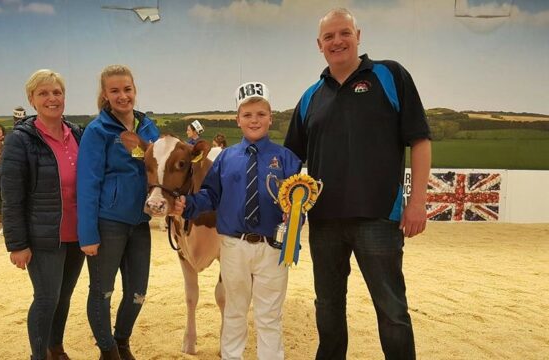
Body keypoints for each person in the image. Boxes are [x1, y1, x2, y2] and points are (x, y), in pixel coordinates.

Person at [284, 8, 431, 360]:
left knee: (392, 311)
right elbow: (290, 161)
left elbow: (421, 140)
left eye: (344, 33)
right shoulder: (309, 97)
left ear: (358, 35)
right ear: (319, 45)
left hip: (378, 217)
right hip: (324, 223)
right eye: (329, 37)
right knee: (328, 307)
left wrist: (417, 202)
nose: (337, 41)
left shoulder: (390, 75)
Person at [173, 81, 302, 360]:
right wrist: (188, 205)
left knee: (269, 316)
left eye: (260, 114)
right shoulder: (226, 158)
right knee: (234, 311)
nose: (254, 120)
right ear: (237, 119)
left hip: (273, 247)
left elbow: (298, 205)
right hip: (234, 246)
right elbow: (210, 196)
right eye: (247, 115)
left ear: (271, 116)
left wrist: (294, 224)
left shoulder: (288, 159)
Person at [77, 64, 159, 360]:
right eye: (115, 91)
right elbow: (87, 184)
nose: (123, 96)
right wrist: (87, 234)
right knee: (102, 291)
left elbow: (158, 173)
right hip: (107, 223)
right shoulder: (97, 131)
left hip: (140, 222)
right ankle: (108, 351)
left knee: (138, 291)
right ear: (105, 95)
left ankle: (122, 341)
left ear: (134, 90)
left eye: (127, 89)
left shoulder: (148, 127)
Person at [2, 69, 85, 360]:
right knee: (47, 298)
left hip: (77, 235)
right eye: (44, 93)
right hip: (43, 237)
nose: (52, 98)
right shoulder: (20, 141)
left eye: (57, 92)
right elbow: (12, 198)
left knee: (63, 297)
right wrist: (17, 244)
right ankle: (38, 356)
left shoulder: (77, 133)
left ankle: (55, 348)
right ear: (32, 99)